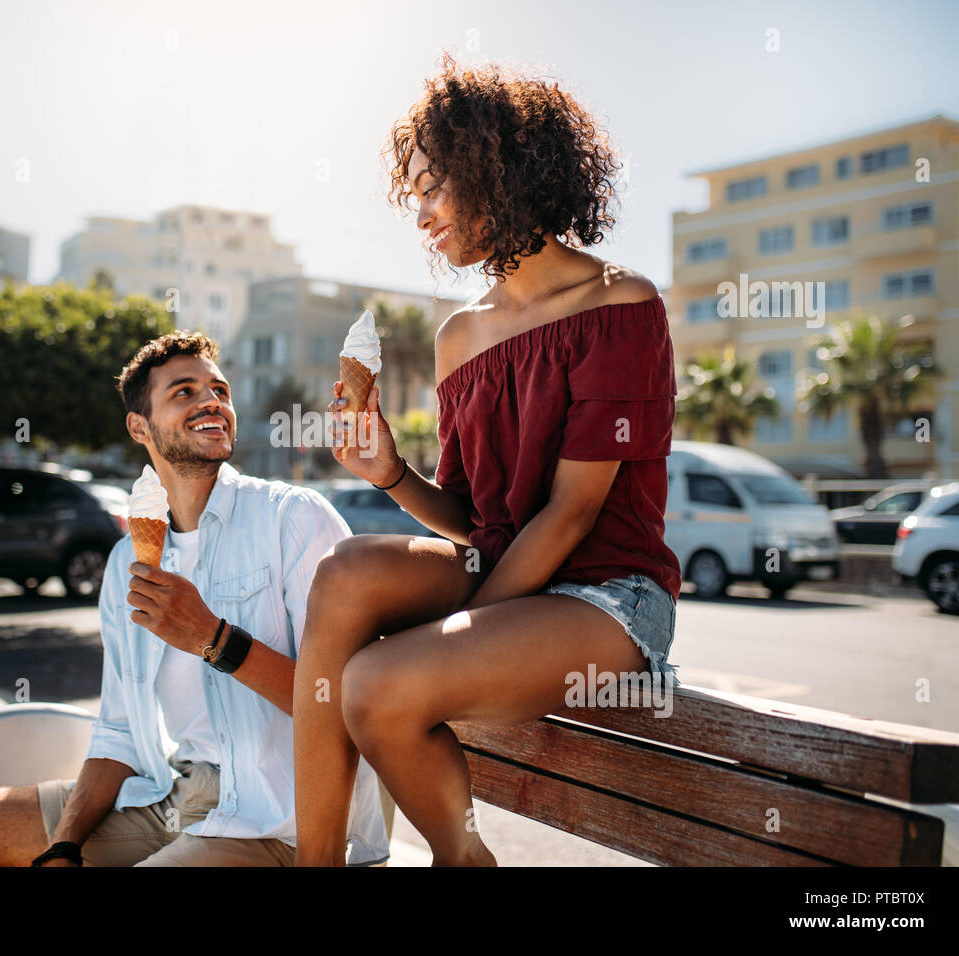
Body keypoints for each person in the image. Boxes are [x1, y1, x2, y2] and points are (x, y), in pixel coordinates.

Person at [292, 52, 682, 866]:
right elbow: (474, 519)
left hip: (605, 592)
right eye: (415, 194)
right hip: (505, 573)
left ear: (497, 170)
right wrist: (392, 476)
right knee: (343, 573)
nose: (422, 214)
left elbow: (572, 513)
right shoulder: (457, 336)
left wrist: (448, 631)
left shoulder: (619, 303)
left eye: (436, 187)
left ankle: (463, 860)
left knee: (377, 685)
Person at [0, 331, 389, 866]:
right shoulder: (127, 561)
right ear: (138, 427)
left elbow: (344, 707)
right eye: (184, 392)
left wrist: (214, 640)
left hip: (281, 819)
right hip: (166, 794)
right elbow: (118, 730)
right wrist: (65, 845)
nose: (212, 401)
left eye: (219, 389)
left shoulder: (294, 519)